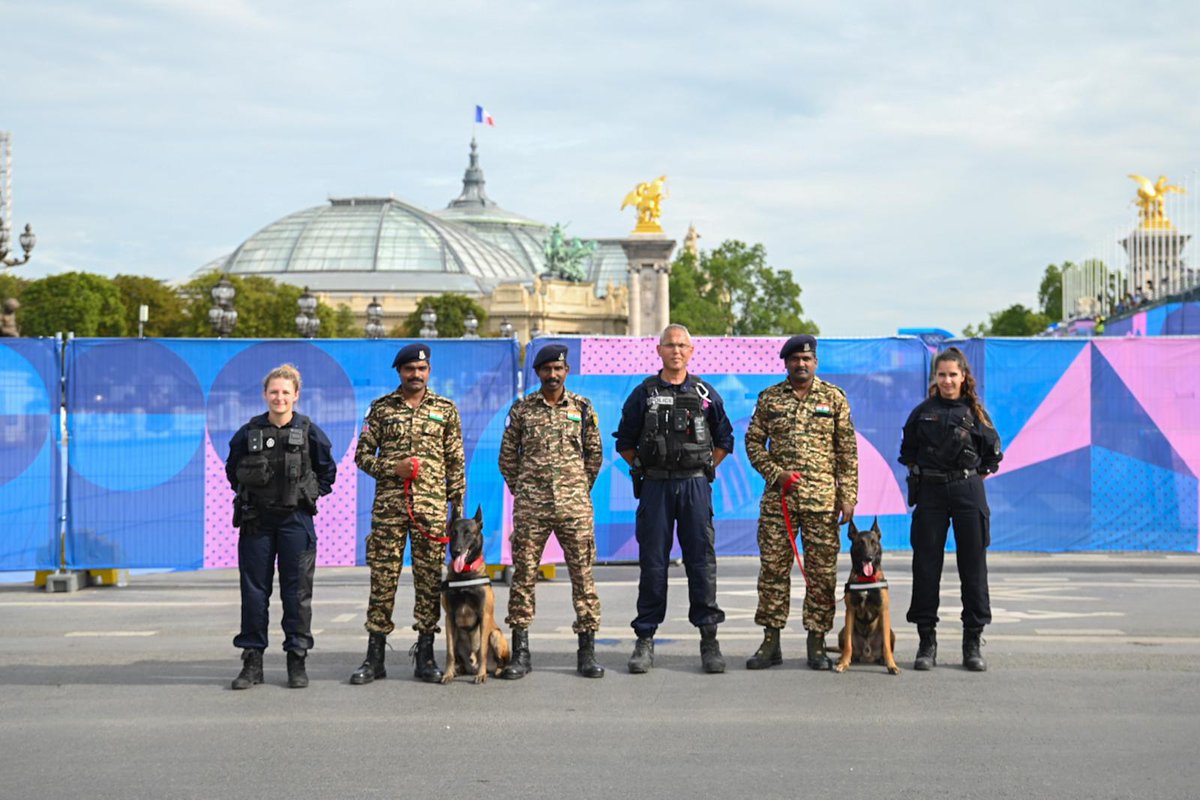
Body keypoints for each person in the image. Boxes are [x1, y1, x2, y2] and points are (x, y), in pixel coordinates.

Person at [614, 324, 734, 674]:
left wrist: (702, 467)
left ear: (691, 351)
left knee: (701, 562)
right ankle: (645, 638)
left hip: (695, 486)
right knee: (653, 563)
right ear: (659, 350)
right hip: (656, 488)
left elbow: (724, 439)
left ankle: (709, 640)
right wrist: (647, 468)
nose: (676, 351)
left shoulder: (705, 393)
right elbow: (625, 442)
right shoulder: (644, 394)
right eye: (670, 345)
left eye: (682, 345)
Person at [350, 343, 465, 685]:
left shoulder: (445, 409)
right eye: (409, 369)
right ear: (399, 372)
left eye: (422, 369)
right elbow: (362, 456)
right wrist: (393, 468)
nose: (416, 374)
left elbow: (455, 462)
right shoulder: (381, 409)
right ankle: (374, 657)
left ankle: (426, 655)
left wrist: (457, 512)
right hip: (390, 510)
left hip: (431, 510)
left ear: (429, 372)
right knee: (383, 581)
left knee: (429, 582)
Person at [743, 335, 858, 671]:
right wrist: (775, 473)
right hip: (779, 502)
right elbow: (753, 443)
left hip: (822, 503)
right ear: (786, 363)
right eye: (795, 359)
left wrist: (848, 496)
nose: (801, 364)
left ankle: (817, 642)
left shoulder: (834, 398)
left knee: (822, 574)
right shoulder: (770, 398)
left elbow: (847, 451)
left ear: (815, 362)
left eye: (807, 359)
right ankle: (771, 642)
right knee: (773, 572)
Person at [226, 363, 337, 690]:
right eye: (274, 392)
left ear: (296, 395)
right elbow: (232, 471)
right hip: (257, 522)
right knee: (254, 593)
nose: (279, 397)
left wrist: (307, 494)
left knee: (297, 593)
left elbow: (327, 473)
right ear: (265, 394)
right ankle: (252, 662)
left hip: (295, 521)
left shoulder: (309, 431)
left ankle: (296, 659)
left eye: (285, 392)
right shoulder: (248, 433)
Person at [498, 343, 605, 680]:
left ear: (566, 371)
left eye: (558, 369)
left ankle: (587, 652)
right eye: (547, 369)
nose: (553, 375)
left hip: (575, 507)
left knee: (583, 577)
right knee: (523, 578)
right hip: (532, 507)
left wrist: (578, 488)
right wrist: (524, 489)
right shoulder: (522, 410)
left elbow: (594, 455)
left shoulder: (583, 408)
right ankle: (521, 652)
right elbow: (507, 457)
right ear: (538, 373)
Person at [899, 347, 1003, 672]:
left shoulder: (977, 414)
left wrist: (965, 477)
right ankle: (926, 642)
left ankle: (972, 643)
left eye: (952, 375)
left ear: (963, 377)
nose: (947, 380)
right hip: (930, 492)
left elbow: (992, 457)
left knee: (973, 567)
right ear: (935, 377)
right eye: (942, 375)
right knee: (926, 567)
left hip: (967, 491)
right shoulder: (921, 413)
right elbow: (908, 453)